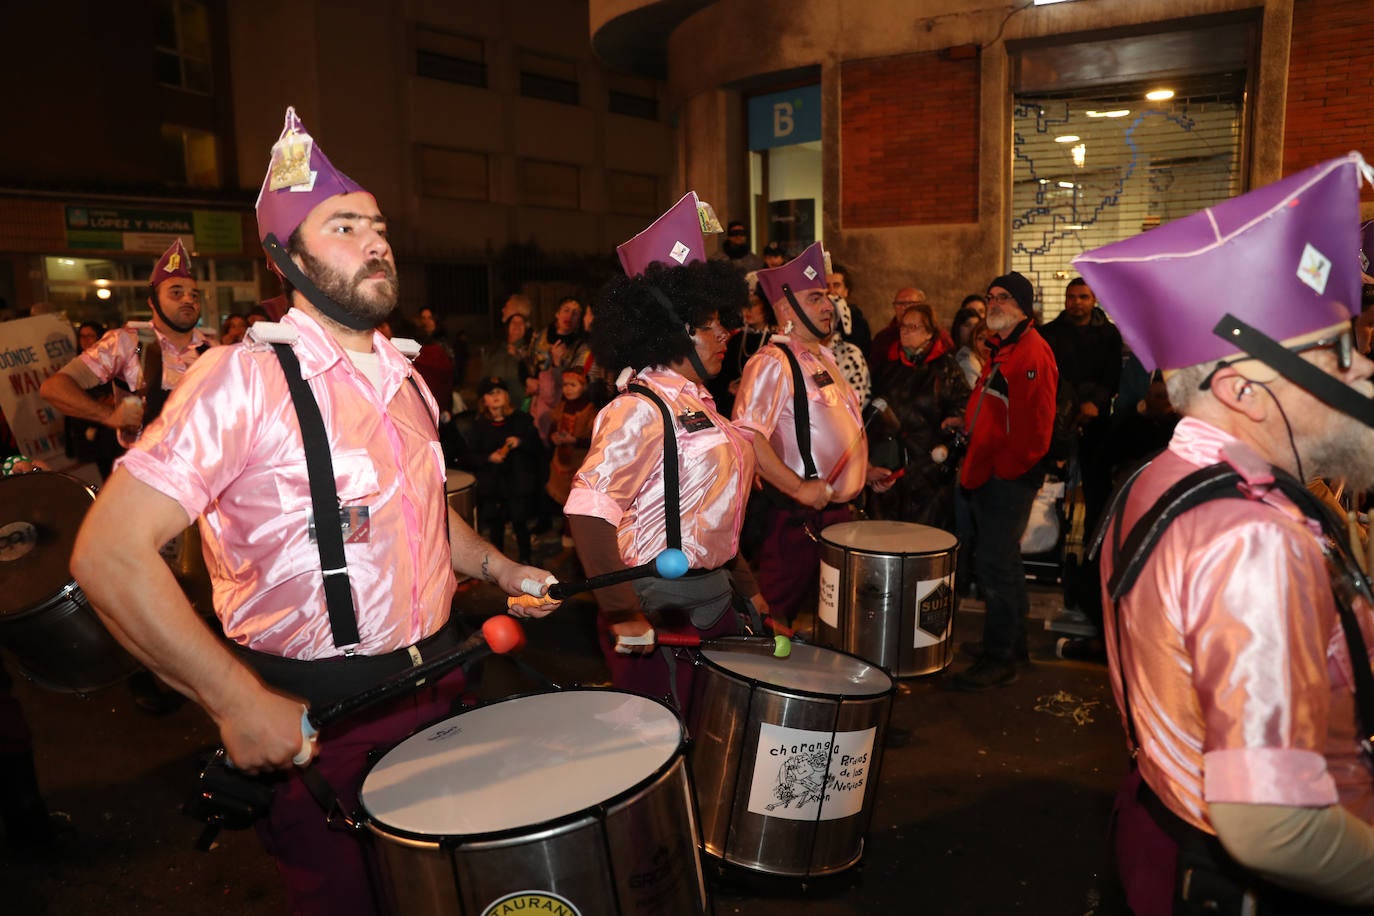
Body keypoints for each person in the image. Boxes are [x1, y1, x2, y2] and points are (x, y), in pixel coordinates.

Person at [66, 106, 560, 916]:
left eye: (378, 225)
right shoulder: (241, 379)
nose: (376, 242)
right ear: (282, 257)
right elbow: (108, 555)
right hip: (324, 722)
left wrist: (502, 566)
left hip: (440, 688)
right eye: (344, 226)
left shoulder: (407, 383)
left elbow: (424, 512)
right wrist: (234, 701)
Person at [1074, 152, 1374, 914]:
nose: (1364, 367)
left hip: (1164, 842)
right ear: (1242, 387)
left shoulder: (1159, 476)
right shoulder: (1253, 537)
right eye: (1338, 349)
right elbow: (1275, 828)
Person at [567, 191, 764, 713]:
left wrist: (746, 587)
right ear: (674, 331)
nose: (725, 334)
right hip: (659, 607)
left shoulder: (701, 403)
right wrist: (622, 613)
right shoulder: (640, 408)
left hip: (712, 599)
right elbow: (589, 514)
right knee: (662, 754)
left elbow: (707, 510)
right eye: (710, 325)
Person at [733, 241, 895, 626]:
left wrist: (863, 470)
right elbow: (748, 438)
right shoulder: (771, 361)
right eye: (817, 297)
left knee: (833, 619)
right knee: (775, 618)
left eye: (828, 297)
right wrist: (798, 487)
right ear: (786, 308)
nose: (829, 306)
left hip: (837, 516)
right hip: (797, 520)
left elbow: (832, 426)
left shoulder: (823, 356)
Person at [952, 271, 1058, 690]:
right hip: (992, 473)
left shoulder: (1031, 352)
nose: (993, 303)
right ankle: (1013, 647)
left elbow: (1035, 428)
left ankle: (999, 658)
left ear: (1023, 307)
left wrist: (1005, 471)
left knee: (994, 566)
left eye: (1003, 298)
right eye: (990, 296)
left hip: (1005, 479)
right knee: (1005, 564)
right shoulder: (1005, 348)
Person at [40, 238, 211, 451]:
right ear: (152, 301)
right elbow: (54, 388)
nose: (188, 299)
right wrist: (108, 415)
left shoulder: (212, 348)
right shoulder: (126, 342)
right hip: (146, 469)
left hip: (206, 469)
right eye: (176, 293)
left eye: (194, 295)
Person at [870, 301, 971, 529]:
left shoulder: (946, 368)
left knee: (923, 540)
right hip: (891, 466)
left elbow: (963, 409)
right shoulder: (889, 366)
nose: (905, 331)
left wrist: (944, 453)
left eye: (913, 327)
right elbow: (874, 412)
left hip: (929, 470)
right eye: (903, 326)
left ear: (929, 333)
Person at [462, 378, 542, 564]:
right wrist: (489, 457)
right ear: (484, 400)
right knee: (495, 526)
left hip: (516, 483)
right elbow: (469, 456)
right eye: (491, 393)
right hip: (493, 486)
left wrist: (520, 442)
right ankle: (498, 563)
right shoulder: (480, 426)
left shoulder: (522, 420)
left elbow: (538, 447)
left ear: (507, 397)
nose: (495, 396)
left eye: (499, 392)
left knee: (519, 523)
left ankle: (525, 559)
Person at [707, 274, 774, 418]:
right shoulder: (736, 339)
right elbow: (718, 379)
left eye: (754, 304)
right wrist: (728, 387)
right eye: (745, 305)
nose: (747, 310)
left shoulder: (776, 341)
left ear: (767, 306)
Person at [545, 366, 596, 510]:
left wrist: (575, 441)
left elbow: (595, 439)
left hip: (580, 461)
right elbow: (553, 428)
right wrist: (553, 437)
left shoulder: (590, 409)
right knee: (564, 498)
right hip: (561, 461)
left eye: (573, 385)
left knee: (578, 498)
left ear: (583, 386)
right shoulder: (561, 406)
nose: (568, 389)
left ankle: (571, 530)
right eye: (565, 385)